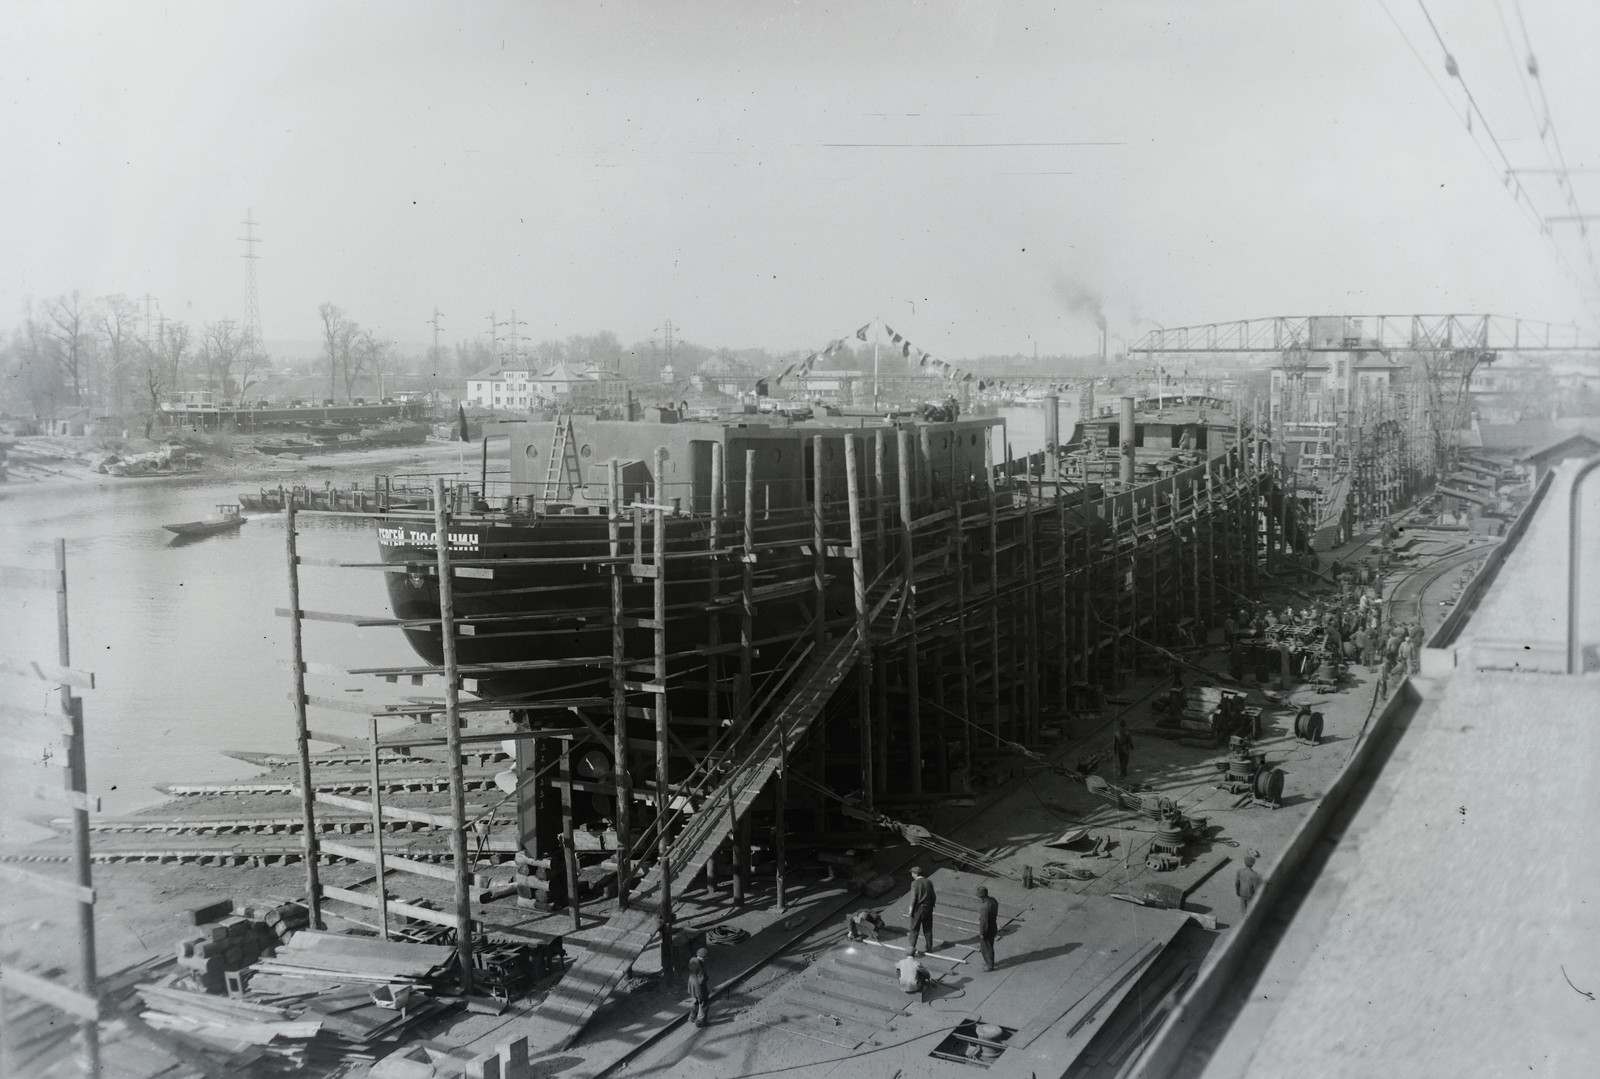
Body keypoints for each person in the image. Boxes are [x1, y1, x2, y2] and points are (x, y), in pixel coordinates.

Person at [907, 866, 937, 956]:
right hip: (928, 908)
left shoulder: (914, 883)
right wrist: (931, 906)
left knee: (914, 929)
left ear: (916, 874)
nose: (912, 875)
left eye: (912, 873)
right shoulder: (929, 882)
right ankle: (929, 947)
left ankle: (911, 949)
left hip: (918, 909)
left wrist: (910, 910)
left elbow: (913, 898)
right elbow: (933, 896)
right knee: (927, 929)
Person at [976, 886, 1000, 972]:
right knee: (990, 945)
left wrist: (982, 933)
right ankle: (990, 962)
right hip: (993, 926)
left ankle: (989, 965)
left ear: (980, 896)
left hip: (987, 930)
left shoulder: (984, 907)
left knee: (986, 948)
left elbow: (984, 922)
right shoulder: (993, 900)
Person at [686, 946, 711, 1027]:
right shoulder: (700, 967)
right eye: (705, 959)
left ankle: (692, 1017)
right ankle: (700, 1022)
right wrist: (706, 976)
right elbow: (701, 980)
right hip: (699, 988)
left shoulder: (691, 961)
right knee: (703, 1003)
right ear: (703, 958)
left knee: (695, 1001)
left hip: (691, 985)